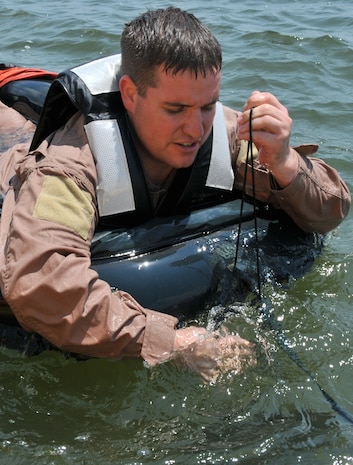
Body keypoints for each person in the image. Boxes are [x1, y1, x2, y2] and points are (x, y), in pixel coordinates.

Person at [0, 7, 350, 382]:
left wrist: (284, 162)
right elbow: (39, 283)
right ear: (130, 95)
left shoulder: (225, 131)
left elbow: (331, 208)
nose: (195, 127)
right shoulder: (70, 163)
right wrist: (171, 341)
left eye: (207, 105)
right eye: (175, 109)